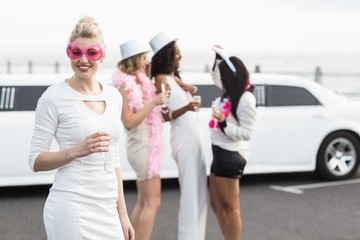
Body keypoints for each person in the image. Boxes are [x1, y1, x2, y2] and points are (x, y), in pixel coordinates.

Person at [28, 16, 134, 240]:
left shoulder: (114, 96)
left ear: (102, 55)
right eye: (76, 52)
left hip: (107, 211)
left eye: (92, 53)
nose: (83, 59)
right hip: (71, 208)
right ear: (69, 53)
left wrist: (122, 215)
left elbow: (114, 161)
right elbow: (35, 160)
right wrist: (77, 150)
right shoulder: (53, 97)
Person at [149, 32, 208, 240]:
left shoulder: (175, 78)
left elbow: (182, 100)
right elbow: (164, 115)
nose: (180, 58)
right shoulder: (161, 79)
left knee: (201, 192)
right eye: (177, 54)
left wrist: (192, 89)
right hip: (182, 137)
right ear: (168, 55)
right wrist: (187, 107)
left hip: (194, 135)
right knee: (190, 194)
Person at [112, 39, 168, 240]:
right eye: (144, 57)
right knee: (152, 202)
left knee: (145, 202)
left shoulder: (139, 81)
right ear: (135, 60)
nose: (147, 61)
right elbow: (128, 122)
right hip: (142, 148)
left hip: (144, 146)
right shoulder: (125, 86)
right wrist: (153, 103)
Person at [208, 46, 257, 240]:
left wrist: (223, 124)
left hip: (231, 155)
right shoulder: (230, 92)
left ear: (231, 77)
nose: (220, 80)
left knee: (232, 207)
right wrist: (218, 59)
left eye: (223, 75)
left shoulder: (246, 99)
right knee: (216, 204)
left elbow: (246, 133)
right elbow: (215, 77)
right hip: (219, 152)